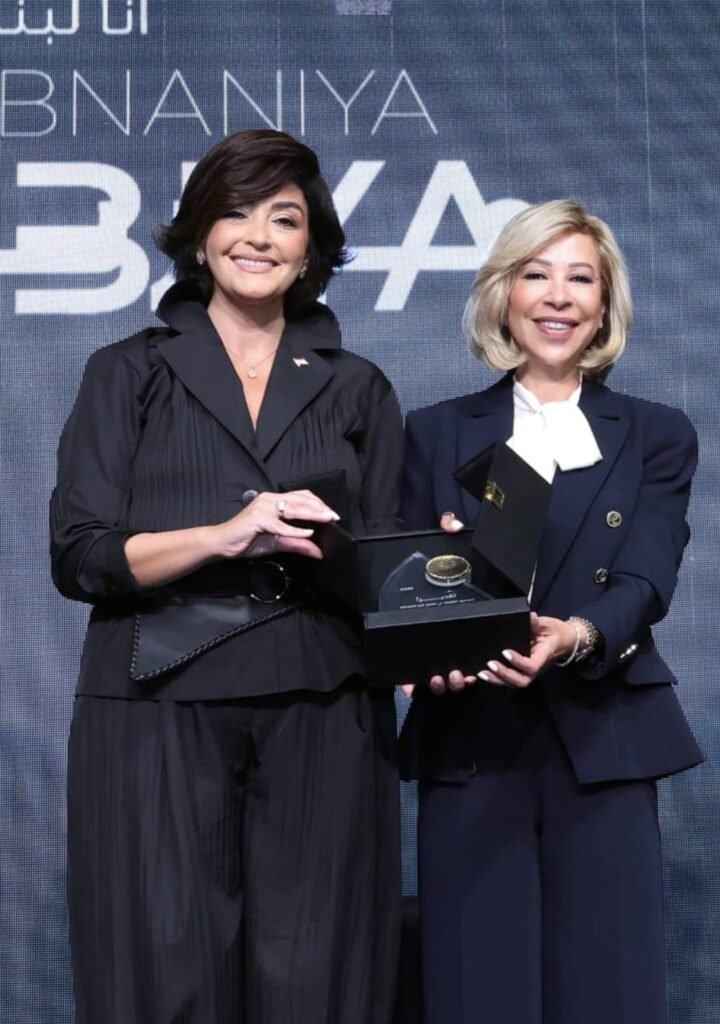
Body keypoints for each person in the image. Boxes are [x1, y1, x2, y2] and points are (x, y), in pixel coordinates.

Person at [50, 129, 402, 1024]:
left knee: (320, 975)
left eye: (284, 218)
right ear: (199, 235)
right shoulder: (126, 371)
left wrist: (431, 574)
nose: (258, 236)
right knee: (159, 969)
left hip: (324, 699)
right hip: (155, 698)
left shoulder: (358, 387)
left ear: (312, 247)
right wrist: (224, 535)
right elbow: (82, 554)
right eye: (235, 212)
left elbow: (383, 569)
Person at [399, 200, 703, 1024]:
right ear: (504, 294)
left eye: (581, 279)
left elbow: (647, 577)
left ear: (605, 305)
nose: (558, 296)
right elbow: (406, 590)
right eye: (536, 274)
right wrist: (430, 643)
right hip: (472, 739)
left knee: (611, 992)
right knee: (476, 993)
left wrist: (577, 634)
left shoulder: (655, 433)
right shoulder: (432, 433)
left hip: (604, 733)